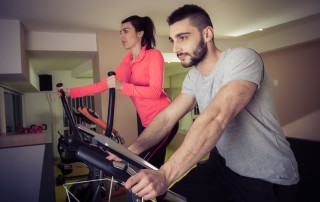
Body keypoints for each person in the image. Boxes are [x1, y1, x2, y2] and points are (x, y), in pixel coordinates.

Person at [122, 4, 300, 202]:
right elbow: (166, 118)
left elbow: (217, 118)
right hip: (225, 166)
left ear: (207, 34)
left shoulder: (242, 58)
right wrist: (128, 152)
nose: (175, 48)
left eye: (183, 37)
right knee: (173, 198)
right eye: (173, 40)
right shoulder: (194, 77)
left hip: (267, 174)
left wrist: (165, 175)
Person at [56, 15, 179, 169]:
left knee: (144, 166)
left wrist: (123, 86)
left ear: (140, 33)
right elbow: (102, 85)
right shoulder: (127, 62)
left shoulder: (154, 55)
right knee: (152, 167)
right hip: (146, 122)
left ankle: (156, 191)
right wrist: (70, 92)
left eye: (126, 31)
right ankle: (157, 192)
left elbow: (155, 92)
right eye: (120, 32)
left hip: (165, 118)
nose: (121, 36)